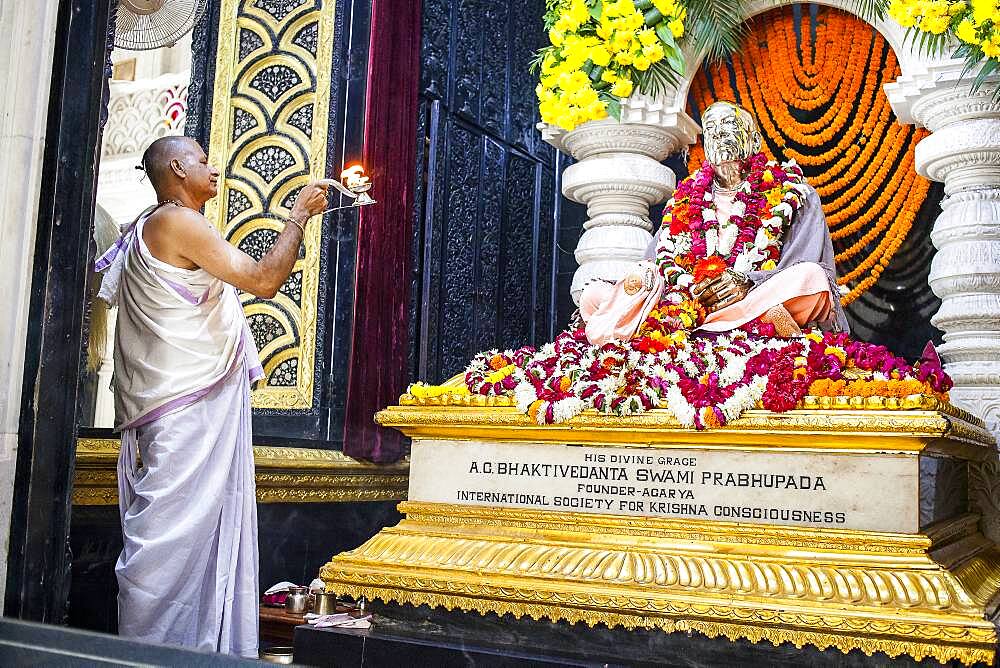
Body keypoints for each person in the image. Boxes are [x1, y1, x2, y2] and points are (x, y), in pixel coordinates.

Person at [95, 135, 329, 657]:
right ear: (177, 168)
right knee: (167, 550)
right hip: (184, 412)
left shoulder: (147, 227)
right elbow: (263, 280)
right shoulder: (176, 221)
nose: (214, 168)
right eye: (203, 160)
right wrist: (298, 214)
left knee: (176, 550)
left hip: (174, 410)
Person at [580, 101, 848, 346]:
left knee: (811, 279)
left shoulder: (793, 192)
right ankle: (715, 327)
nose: (718, 133)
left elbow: (801, 263)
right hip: (688, 304)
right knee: (594, 294)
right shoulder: (685, 198)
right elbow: (659, 263)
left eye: (729, 124)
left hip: (755, 298)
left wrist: (747, 282)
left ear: (754, 140)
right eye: (710, 128)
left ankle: (704, 329)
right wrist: (678, 288)